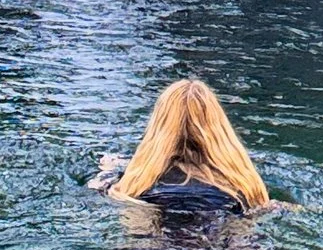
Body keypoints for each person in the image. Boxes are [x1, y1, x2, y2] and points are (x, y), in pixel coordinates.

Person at [93, 78, 272, 219]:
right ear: (220, 129)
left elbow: (99, 191)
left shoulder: (135, 185)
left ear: (159, 127)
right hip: (226, 237)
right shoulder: (242, 187)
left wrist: (108, 173)